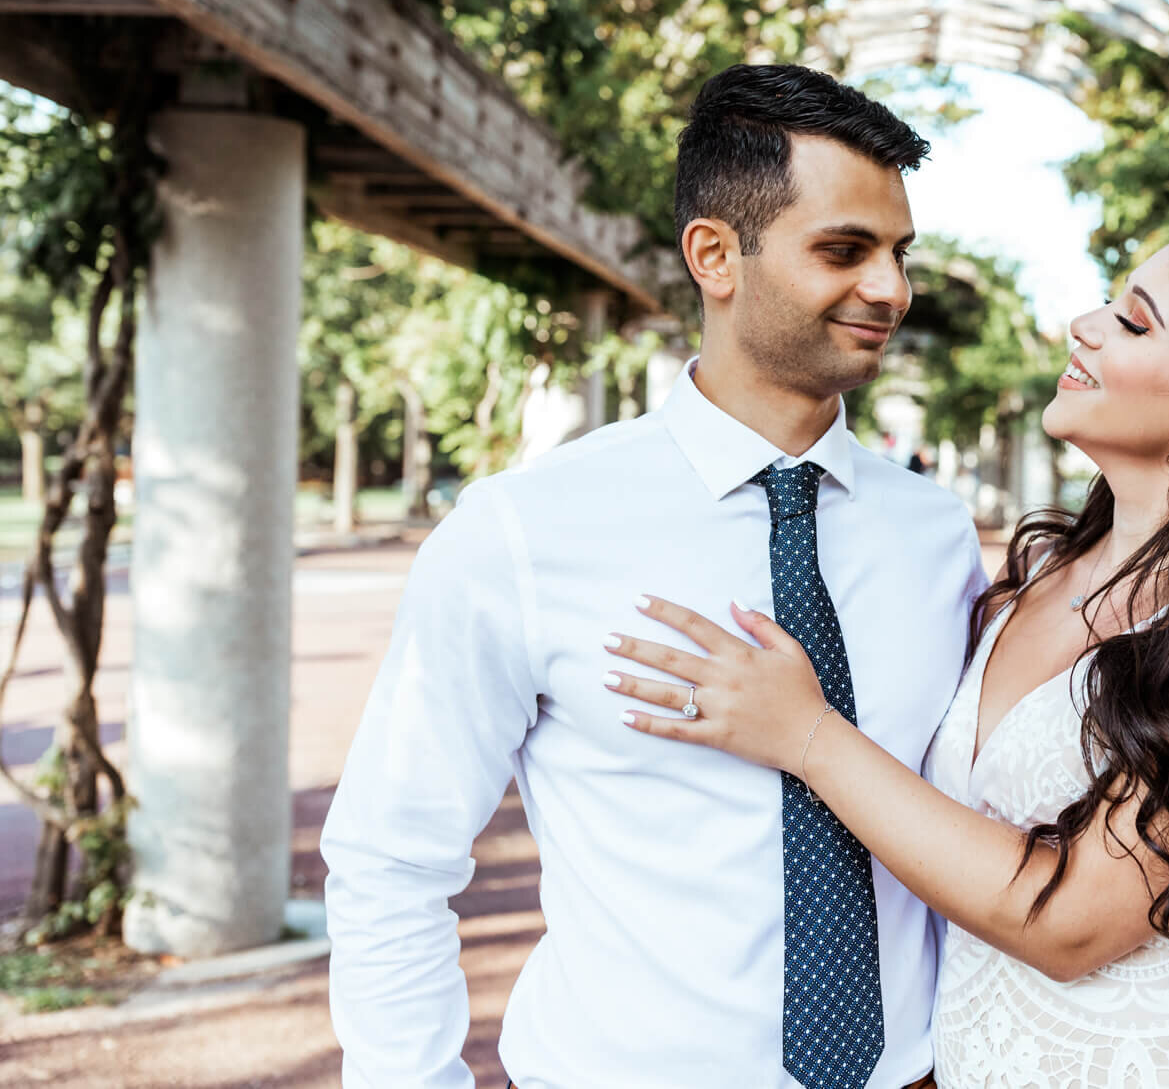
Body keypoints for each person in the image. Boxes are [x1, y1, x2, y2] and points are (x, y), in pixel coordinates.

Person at [608, 221, 1169, 1087]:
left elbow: (1069, 924)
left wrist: (804, 733)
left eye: (1133, 323)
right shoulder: (1040, 574)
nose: (1084, 325)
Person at [320, 64, 987, 1089]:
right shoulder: (523, 531)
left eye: (899, 253)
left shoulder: (937, 536)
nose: (890, 289)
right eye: (843, 250)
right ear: (715, 255)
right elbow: (390, 858)